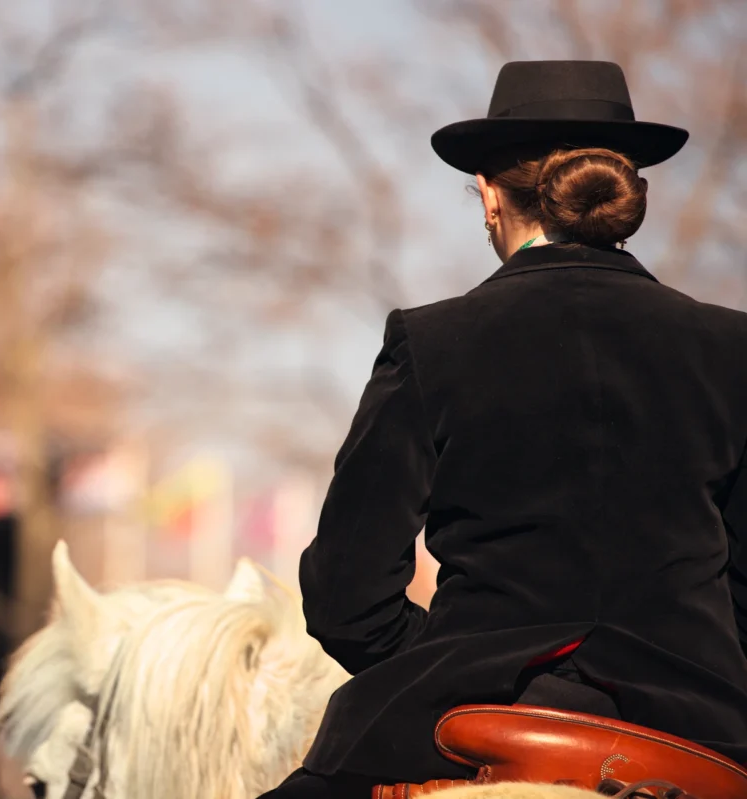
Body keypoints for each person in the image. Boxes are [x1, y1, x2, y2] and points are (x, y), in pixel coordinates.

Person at [258, 60, 747, 797]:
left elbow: (345, 596)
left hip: (470, 709)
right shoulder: (732, 345)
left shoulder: (432, 342)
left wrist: (452, 655)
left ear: (489, 196)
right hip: (702, 727)